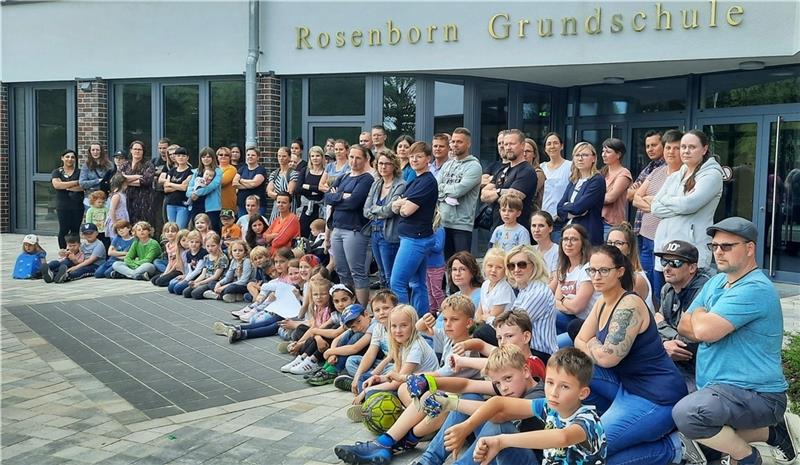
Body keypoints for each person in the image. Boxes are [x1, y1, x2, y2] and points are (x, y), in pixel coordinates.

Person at [673, 217, 795, 465]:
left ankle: (749, 458)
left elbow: (702, 330)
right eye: (714, 246)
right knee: (689, 428)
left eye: (727, 246)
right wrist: (705, 322)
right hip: (720, 390)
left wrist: (701, 318)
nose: (718, 251)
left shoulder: (755, 288)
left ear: (749, 248)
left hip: (758, 395)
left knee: (687, 414)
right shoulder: (717, 282)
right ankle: (774, 433)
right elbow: (683, 326)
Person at [575, 245, 687, 465]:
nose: (596, 277)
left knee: (592, 450)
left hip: (656, 395)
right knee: (577, 369)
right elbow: (579, 339)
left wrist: (593, 343)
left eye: (604, 270)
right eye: (592, 270)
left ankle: (675, 447)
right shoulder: (602, 302)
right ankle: (625, 429)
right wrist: (596, 345)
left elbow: (608, 357)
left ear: (620, 271)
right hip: (626, 386)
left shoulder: (630, 304)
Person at [470, 348, 606, 465]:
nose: (554, 393)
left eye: (564, 386)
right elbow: (500, 403)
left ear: (582, 393)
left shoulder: (589, 420)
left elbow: (563, 437)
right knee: (498, 425)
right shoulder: (548, 405)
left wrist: (501, 441)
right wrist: (465, 424)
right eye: (550, 382)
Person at [651, 129, 723, 270]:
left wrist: (666, 199)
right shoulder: (675, 176)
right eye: (683, 147)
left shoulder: (712, 175)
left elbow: (689, 205)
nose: (686, 151)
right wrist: (680, 204)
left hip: (690, 255)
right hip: (665, 251)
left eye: (692, 147)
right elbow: (654, 208)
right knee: (662, 293)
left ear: (704, 149)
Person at [633, 130, 681, 309]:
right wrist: (654, 204)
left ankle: (663, 319)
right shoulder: (656, 171)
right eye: (669, 147)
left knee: (663, 285)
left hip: (666, 241)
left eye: (676, 148)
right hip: (646, 236)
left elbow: (673, 206)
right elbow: (635, 197)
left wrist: (652, 202)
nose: (671, 152)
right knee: (647, 281)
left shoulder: (683, 176)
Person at [652, 240, 709, 388]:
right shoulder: (667, 289)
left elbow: (690, 344)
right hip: (673, 363)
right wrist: (665, 343)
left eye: (675, 263)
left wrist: (662, 325)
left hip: (699, 370)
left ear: (692, 268)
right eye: (664, 261)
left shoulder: (704, 291)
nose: (667, 268)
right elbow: (653, 329)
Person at [390, 141, 438, 317]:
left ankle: (404, 321)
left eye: (418, 156)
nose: (414, 159)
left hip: (416, 239)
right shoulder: (415, 180)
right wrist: (401, 203)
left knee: (397, 283)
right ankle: (421, 322)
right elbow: (394, 206)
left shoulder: (427, 182)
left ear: (428, 159)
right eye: (411, 156)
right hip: (411, 237)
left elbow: (405, 210)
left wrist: (401, 203)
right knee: (417, 283)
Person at [325, 143, 375, 306]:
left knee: (357, 271)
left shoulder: (367, 179)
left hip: (354, 230)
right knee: (342, 270)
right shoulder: (344, 176)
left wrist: (338, 196)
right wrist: (342, 196)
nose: (354, 161)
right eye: (351, 157)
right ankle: (347, 306)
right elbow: (327, 196)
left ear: (366, 159)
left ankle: (360, 309)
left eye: (358, 157)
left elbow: (354, 202)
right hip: (337, 228)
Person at [437, 127, 482, 258]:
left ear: (468, 144)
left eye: (459, 142)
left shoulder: (474, 166)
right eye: (453, 141)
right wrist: (446, 191)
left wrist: (442, 190)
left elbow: (459, 190)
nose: (455, 145)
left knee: (462, 264)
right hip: (442, 222)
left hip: (461, 225)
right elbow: (435, 186)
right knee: (445, 266)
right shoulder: (446, 165)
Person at [481, 129, 538, 233]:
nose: (508, 147)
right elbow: (483, 195)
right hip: (497, 230)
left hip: (517, 233)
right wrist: (503, 192)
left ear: (522, 145)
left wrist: (497, 191)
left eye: (512, 144)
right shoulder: (502, 170)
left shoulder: (527, 171)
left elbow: (512, 198)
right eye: (505, 144)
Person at [506, 244, 557, 360]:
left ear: (534, 266)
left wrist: (489, 319)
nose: (516, 270)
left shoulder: (538, 292)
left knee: (484, 334)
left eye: (522, 265)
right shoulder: (524, 290)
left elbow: (514, 325)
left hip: (539, 355)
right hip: (523, 349)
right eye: (511, 266)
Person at [364, 150, 406, 288]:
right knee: (381, 274)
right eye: (380, 163)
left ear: (394, 165)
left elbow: (390, 211)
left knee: (390, 275)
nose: (383, 167)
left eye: (387, 164)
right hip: (374, 232)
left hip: (389, 233)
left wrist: (375, 210)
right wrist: (379, 211)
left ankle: (394, 306)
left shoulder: (400, 185)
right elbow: (365, 210)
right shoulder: (376, 184)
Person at [554, 224, 598, 345]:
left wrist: (562, 300)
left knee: (553, 317)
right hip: (569, 318)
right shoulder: (563, 268)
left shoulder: (587, 269)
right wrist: (567, 303)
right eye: (565, 239)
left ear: (583, 243)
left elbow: (577, 307)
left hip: (586, 323)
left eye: (574, 239)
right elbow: (555, 300)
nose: (568, 243)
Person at [556, 142, 606, 245]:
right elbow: (559, 207)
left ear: (593, 158)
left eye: (585, 155)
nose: (580, 158)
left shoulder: (597, 180)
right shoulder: (574, 180)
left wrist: (569, 207)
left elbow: (579, 208)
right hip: (569, 231)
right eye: (577, 155)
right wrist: (572, 210)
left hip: (588, 235)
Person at [607, 223, 654, 312]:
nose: (612, 247)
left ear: (629, 249)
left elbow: (626, 313)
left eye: (618, 243)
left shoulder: (636, 279)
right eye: (609, 243)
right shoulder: (607, 273)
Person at [51, 149, 84, 249]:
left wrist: (64, 185)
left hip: (77, 206)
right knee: (63, 230)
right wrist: (75, 182)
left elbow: (82, 187)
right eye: (67, 157)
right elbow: (57, 185)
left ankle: (75, 251)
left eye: (72, 157)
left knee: (75, 230)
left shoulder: (80, 172)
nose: (70, 159)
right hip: (63, 206)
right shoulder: (57, 172)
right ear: (62, 158)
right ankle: (63, 251)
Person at [600, 138, 632, 238]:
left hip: (611, 225)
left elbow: (611, 198)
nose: (603, 154)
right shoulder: (602, 172)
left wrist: (591, 197)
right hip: (597, 221)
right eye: (603, 151)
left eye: (608, 152)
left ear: (618, 155)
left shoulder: (624, 173)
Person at [182, 232, 228, 299]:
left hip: (213, 281)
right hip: (205, 279)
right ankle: (207, 292)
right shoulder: (206, 257)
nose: (210, 248)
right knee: (186, 293)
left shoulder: (222, 258)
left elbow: (215, 276)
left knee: (195, 294)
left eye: (213, 246)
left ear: (218, 245)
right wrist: (195, 282)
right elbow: (203, 274)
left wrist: (200, 283)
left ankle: (215, 293)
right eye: (208, 246)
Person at [476, 247, 515, 327]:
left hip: (499, 328)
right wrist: (478, 319)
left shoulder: (504, 289)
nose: (493, 270)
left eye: (499, 267)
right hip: (484, 324)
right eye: (490, 266)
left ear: (505, 270)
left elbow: (493, 316)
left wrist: (481, 319)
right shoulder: (485, 284)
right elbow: (479, 311)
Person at [187, 147, 223, 231]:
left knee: (212, 230)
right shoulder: (196, 172)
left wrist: (197, 193)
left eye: (208, 157)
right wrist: (191, 194)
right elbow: (189, 187)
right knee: (197, 231)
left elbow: (212, 186)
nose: (206, 159)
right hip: (196, 205)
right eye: (203, 157)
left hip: (211, 207)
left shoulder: (218, 171)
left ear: (213, 158)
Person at [121, 140, 155, 225]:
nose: (137, 151)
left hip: (143, 201)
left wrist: (126, 180)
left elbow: (146, 181)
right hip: (127, 199)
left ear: (143, 151)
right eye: (135, 149)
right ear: (131, 150)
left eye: (140, 149)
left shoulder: (148, 165)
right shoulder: (125, 165)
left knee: (143, 226)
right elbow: (118, 180)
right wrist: (136, 176)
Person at [298, 145, 329, 237]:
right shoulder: (305, 171)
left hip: (320, 208)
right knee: (303, 232)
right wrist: (315, 188)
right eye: (312, 156)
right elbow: (298, 189)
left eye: (317, 156)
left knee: (318, 234)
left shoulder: (326, 172)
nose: (315, 158)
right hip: (306, 207)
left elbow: (322, 191)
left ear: (322, 157)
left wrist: (307, 186)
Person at [541, 132, 572, 222]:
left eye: (555, 143)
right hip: (543, 219)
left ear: (561, 146)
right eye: (549, 144)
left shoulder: (570, 166)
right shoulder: (541, 168)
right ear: (545, 148)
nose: (552, 146)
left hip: (562, 219)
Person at [161, 146, 193, 229]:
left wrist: (171, 184)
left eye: (183, 156)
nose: (181, 158)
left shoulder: (190, 172)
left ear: (187, 157)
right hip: (170, 203)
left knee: (180, 229)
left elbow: (184, 188)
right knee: (171, 229)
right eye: (178, 156)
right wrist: (178, 186)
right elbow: (166, 187)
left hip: (182, 204)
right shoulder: (172, 171)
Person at [233, 147, 268, 217]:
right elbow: (234, 183)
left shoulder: (261, 170)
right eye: (248, 155)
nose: (250, 157)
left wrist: (241, 180)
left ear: (258, 157)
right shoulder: (242, 169)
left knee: (256, 225)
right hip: (242, 205)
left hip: (258, 206)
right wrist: (249, 184)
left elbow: (254, 184)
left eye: (253, 155)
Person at [263, 191, 300, 256]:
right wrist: (274, 235)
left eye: (284, 203)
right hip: (272, 255)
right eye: (278, 202)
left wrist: (270, 238)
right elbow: (264, 237)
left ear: (290, 204)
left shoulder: (292, 219)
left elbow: (278, 242)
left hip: (284, 256)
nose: (281, 205)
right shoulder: (276, 219)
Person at [267, 146, 299, 223]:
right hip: (276, 207)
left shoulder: (294, 174)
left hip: (289, 206)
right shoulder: (274, 174)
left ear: (289, 157)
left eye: (284, 156)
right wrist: (280, 198)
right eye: (279, 156)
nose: (281, 158)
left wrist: (277, 196)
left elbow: (289, 192)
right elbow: (269, 192)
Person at [79, 142, 115, 208]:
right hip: (91, 199)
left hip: (106, 199)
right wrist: (98, 181)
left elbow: (114, 181)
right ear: (90, 152)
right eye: (93, 150)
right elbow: (82, 183)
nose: (95, 152)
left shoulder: (109, 165)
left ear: (101, 151)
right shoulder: (86, 166)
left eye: (97, 150)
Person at [531, 210, 559, 284]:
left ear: (550, 228)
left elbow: (555, 282)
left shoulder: (557, 251)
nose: (536, 230)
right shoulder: (530, 250)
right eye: (534, 225)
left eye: (541, 226)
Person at [104, 173, 130, 240]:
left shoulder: (122, 195)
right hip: (117, 219)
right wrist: (115, 223)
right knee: (116, 238)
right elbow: (112, 210)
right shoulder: (117, 196)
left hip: (122, 219)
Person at [524, 137, 546, 211]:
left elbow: (526, 192)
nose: (524, 154)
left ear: (534, 154)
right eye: (522, 151)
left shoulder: (538, 173)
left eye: (528, 151)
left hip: (531, 213)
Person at [217, 146, 238, 212]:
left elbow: (222, 182)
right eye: (221, 154)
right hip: (214, 205)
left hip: (227, 205)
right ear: (217, 157)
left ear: (230, 157)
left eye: (226, 155)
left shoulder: (232, 169)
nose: (223, 156)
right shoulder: (214, 168)